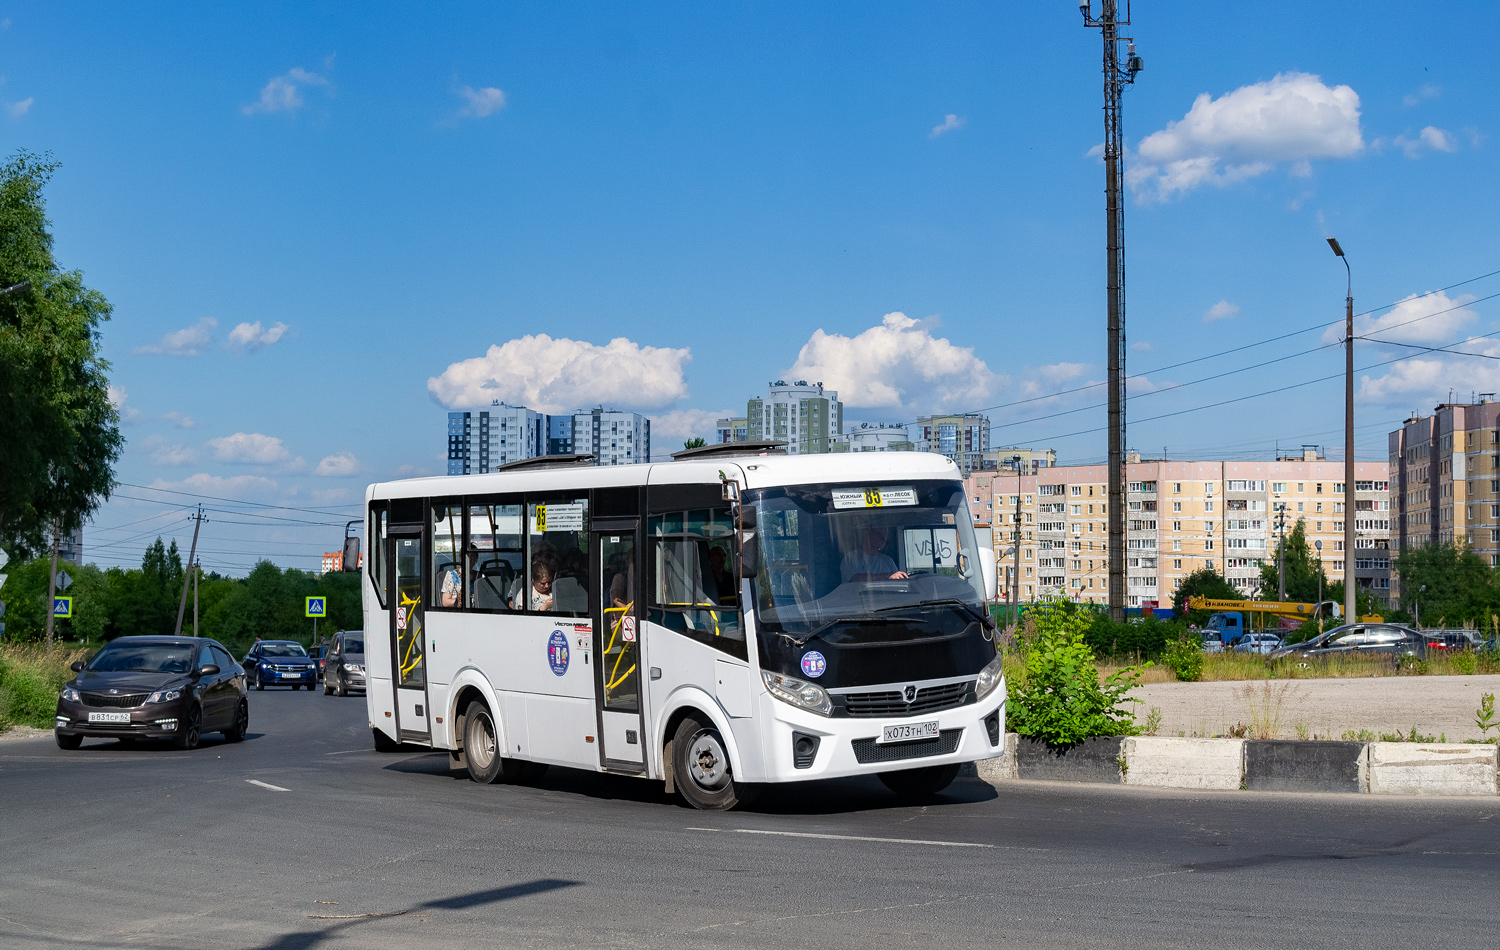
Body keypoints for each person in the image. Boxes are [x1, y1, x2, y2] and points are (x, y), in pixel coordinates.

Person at [841, 525, 909, 582]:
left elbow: (898, 582)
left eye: (885, 536)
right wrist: (888, 576)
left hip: (888, 597)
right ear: (867, 534)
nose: (884, 539)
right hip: (858, 598)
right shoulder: (851, 558)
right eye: (880, 535)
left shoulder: (888, 561)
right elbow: (855, 579)